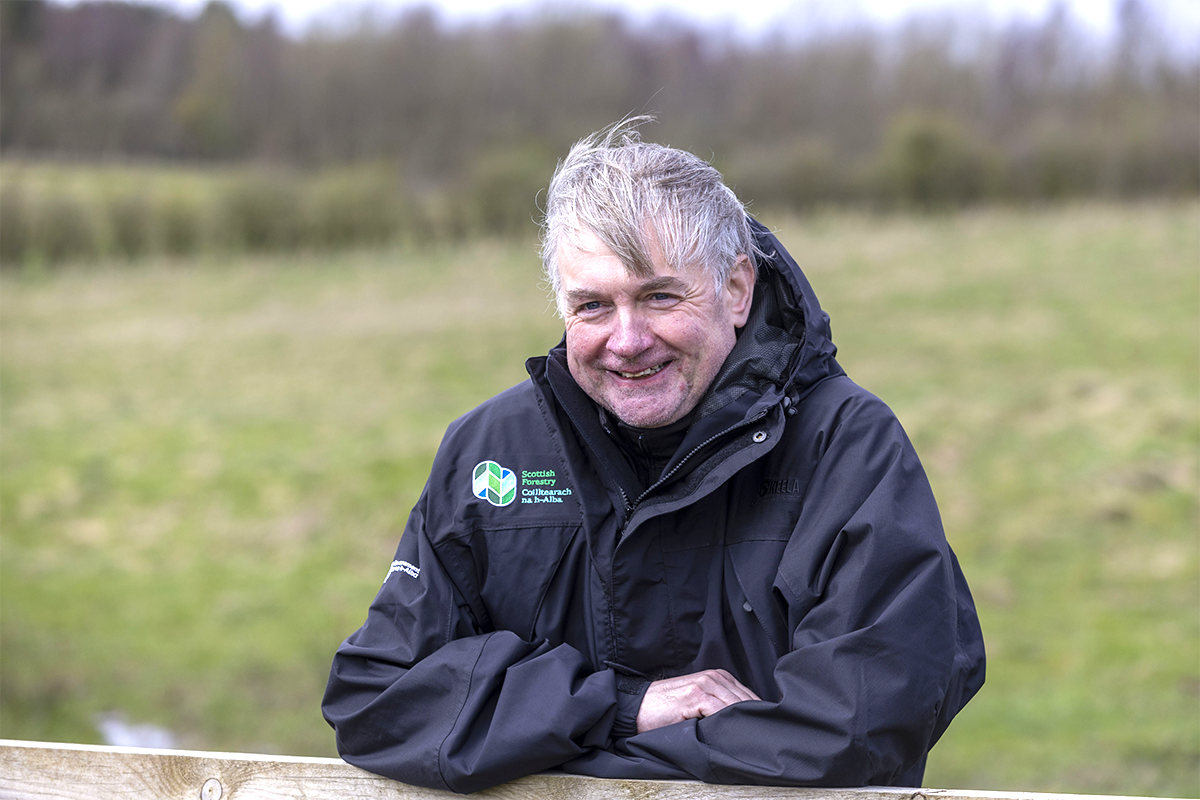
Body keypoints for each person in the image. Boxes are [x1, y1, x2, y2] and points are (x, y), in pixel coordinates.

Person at [321, 119, 985, 794]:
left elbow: (856, 730)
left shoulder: (846, 447)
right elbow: (376, 702)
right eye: (592, 306)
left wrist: (525, 744)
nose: (628, 340)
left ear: (736, 289)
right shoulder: (490, 452)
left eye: (659, 296)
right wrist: (626, 709)